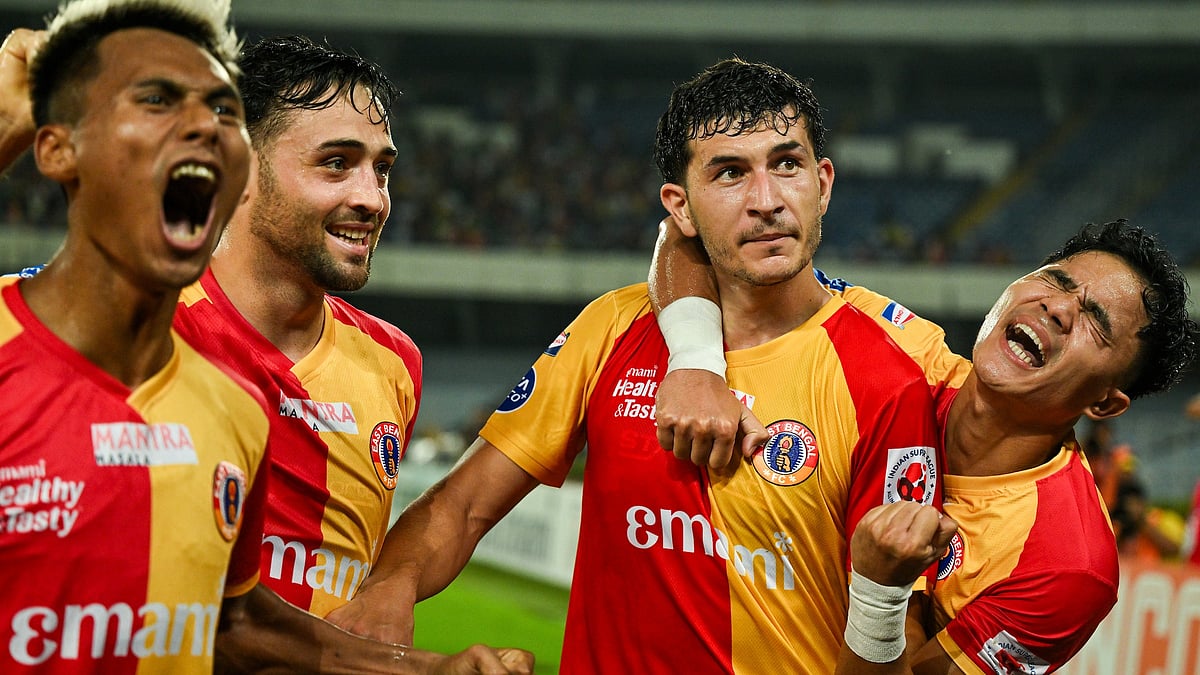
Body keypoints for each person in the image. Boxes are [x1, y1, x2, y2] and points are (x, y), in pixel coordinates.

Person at [331, 57, 943, 674]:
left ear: (825, 183)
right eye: (730, 173)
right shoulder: (611, 328)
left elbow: (899, 628)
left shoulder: (885, 374)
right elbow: (461, 507)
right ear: (679, 208)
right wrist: (392, 587)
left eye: (787, 164)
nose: (767, 201)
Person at [0, 2, 530, 673]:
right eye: (336, 163)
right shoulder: (112, 333)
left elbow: (236, 614)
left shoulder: (366, 370)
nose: (372, 197)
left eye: (382, 169)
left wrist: (423, 665)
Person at [650, 217, 1199, 673]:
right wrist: (694, 364)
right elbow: (688, 237)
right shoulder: (889, 343)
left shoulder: (1067, 566)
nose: (1058, 308)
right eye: (1055, 280)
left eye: (1095, 322)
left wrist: (882, 596)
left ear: (1105, 402)